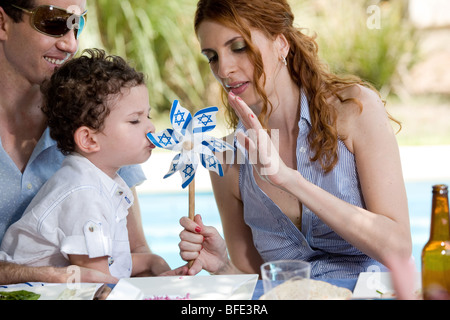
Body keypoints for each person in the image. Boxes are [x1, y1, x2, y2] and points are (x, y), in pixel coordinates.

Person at [179, 0, 412, 279]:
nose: (223, 69)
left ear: (281, 44)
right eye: (212, 56)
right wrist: (222, 266)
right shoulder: (226, 157)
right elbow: (252, 282)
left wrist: (289, 179)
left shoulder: (355, 111)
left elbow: (399, 248)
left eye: (238, 47)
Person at [0, 0, 157, 284]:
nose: (71, 44)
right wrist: (48, 275)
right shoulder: (89, 172)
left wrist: (162, 270)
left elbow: (129, 255)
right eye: (52, 22)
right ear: (2, 22)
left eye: (78, 23)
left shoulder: (99, 115)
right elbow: (99, 279)